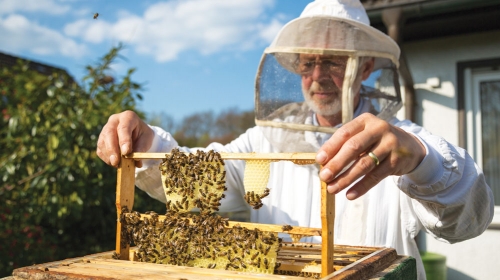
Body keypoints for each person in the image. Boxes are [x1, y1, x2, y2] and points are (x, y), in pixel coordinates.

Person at [96, 0, 494, 279]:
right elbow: (199, 182)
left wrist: (422, 160)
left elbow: (468, 218)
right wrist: (148, 145)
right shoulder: (263, 143)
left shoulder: (401, 143)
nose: (318, 75)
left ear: (367, 66)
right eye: (307, 62)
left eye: (334, 59)